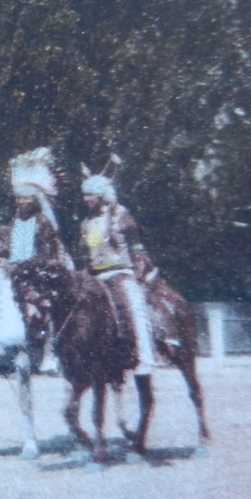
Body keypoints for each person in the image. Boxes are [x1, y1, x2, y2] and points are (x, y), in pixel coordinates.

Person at [79, 158, 158, 388]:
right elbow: (86, 253)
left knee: (134, 307)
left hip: (121, 273)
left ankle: (145, 356)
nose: (86, 200)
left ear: (101, 195)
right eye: (85, 195)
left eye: (90, 195)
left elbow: (137, 247)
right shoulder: (86, 223)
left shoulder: (120, 214)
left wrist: (140, 271)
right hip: (96, 275)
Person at [6, 148, 73, 268]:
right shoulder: (15, 221)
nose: (21, 202)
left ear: (35, 201)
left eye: (26, 198)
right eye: (18, 198)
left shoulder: (42, 222)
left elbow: (46, 251)